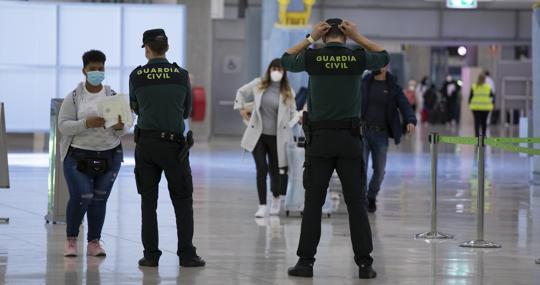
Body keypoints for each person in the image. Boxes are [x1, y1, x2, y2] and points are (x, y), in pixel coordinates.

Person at [281, 18, 389, 279]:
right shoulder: (356, 58)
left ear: (323, 35)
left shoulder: (313, 58)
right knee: (356, 205)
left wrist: (310, 38)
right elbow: (383, 57)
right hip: (350, 140)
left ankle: (305, 263)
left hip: (320, 141)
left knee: (313, 203)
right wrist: (358, 36)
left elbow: (286, 60)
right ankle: (365, 264)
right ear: (344, 35)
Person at [129, 29, 205, 268]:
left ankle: (151, 255)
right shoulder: (181, 75)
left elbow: (136, 107)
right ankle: (186, 254)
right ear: (167, 47)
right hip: (174, 148)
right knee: (182, 201)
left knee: (148, 202)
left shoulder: (137, 76)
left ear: (147, 49)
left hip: (147, 146)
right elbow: (186, 111)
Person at [58, 50, 127, 257]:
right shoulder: (74, 97)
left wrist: (120, 125)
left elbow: (124, 129)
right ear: (84, 71)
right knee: (82, 195)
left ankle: (94, 242)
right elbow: (63, 126)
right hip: (78, 156)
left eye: (100, 68)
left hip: (109, 155)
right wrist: (86, 123)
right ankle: (71, 239)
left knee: (99, 198)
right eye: (92, 69)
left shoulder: (113, 96)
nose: (97, 72)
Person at [234, 59, 298, 218]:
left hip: (278, 138)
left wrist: (294, 120)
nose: (276, 72)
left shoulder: (288, 92)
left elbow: (293, 113)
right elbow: (241, 92)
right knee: (261, 169)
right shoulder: (259, 84)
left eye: (280, 70)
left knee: (275, 170)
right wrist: (241, 108)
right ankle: (262, 205)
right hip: (258, 136)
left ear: (284, 73)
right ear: (270, 70)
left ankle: (276, 198)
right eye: (274, 68)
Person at [361, 66, 417, 213]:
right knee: (360, 169)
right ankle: (361, 200)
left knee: (379, 172)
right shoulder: (365, 83)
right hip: (363, 133)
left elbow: (405, 105)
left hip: (381, 135)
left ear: (386, 66)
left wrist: (410, 120)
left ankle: (371, 196)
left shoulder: (393, 87)